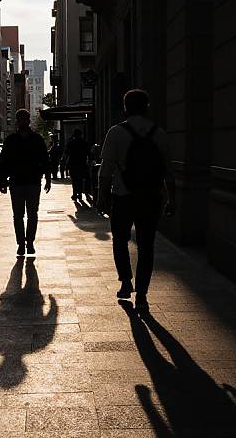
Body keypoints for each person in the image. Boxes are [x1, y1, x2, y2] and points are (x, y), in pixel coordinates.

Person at [97, 89, 176, 310]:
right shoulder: (159, 134)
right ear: (146, 106)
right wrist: (172, 198)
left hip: (123, 197)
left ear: (125, 107)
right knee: (146, 246)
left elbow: (106, 170)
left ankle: (125, 282)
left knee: (120, 241)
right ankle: (141, 295)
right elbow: (168, 171)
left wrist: (101, 197)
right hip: (151, 198)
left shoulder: (115, 132)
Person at [0, 109, 51, 256]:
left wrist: (48, 178)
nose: (22, 122)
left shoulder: (37, 139)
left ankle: (30, 242)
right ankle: (21, 243)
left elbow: (45, 160)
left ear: (28, 121)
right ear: (17, 121)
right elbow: (4, 162)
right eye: (20, 119)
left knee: (32, 214)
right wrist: (2, 181)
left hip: (33, 182)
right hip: (16, 182)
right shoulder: (11, 140)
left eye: (24, 119)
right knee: (18, 215)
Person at [64, 129, 90, 201]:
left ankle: (75, 193)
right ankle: (82, 193)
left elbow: (66, 153)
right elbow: (89, 153)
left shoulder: (71, 143)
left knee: (74, 180)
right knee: (81, 179)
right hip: (82, 163)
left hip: (73, 164)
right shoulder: (84, 143)